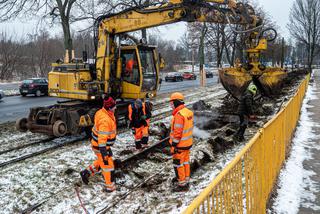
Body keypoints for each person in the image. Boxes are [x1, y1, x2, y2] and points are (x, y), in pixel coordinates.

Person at [80, 96, 117, 192]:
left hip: (100, 145)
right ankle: (110, 187)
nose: (116, 108)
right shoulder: (105, 120)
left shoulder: (102, 112)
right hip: (101, 146)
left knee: (102, 162)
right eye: (114, 106)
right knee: (108, 166)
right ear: (109, 108)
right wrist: (104, 152)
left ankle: (86, 172)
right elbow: (102, 139)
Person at [169, 92, 193, 191]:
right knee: (186, 162)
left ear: (176, 103)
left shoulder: (179, 115)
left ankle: (182, 184)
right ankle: (186, 179)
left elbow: (177, 133)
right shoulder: (187, 112)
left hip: (180, 145)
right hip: (187, 144)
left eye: (171, 103)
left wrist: (174, 145)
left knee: (178, 164)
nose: (170, 105)